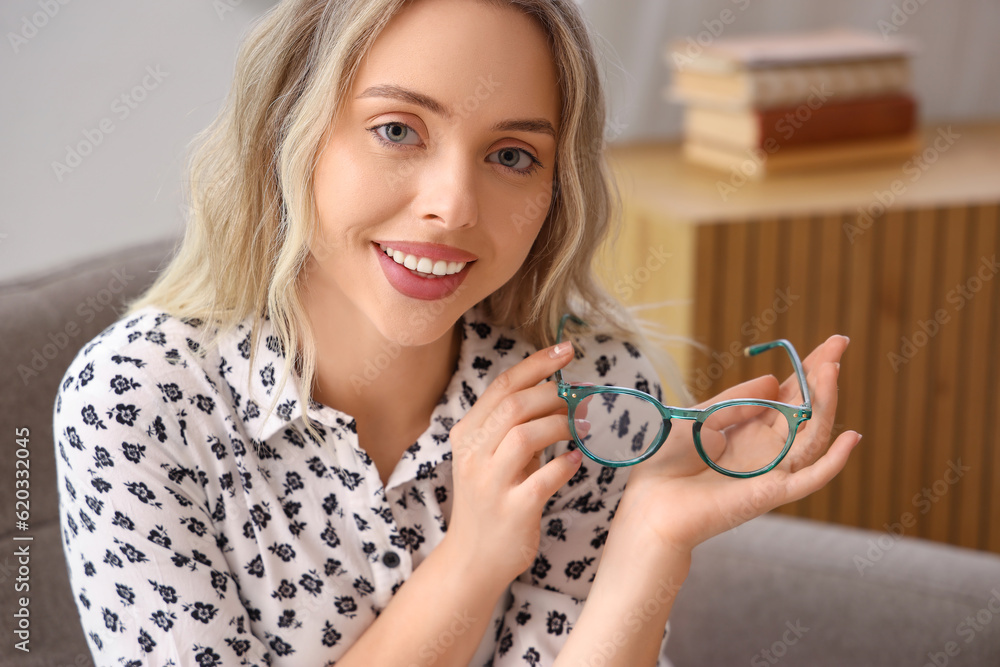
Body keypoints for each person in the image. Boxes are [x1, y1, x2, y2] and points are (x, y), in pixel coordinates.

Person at [52, 0, 861, 665]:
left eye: (511, 155)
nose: (453, 206)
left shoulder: (589, 394)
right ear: (286, 133)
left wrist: (652, 535)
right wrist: (472, 562)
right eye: (398, 129)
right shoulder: (135, 403)